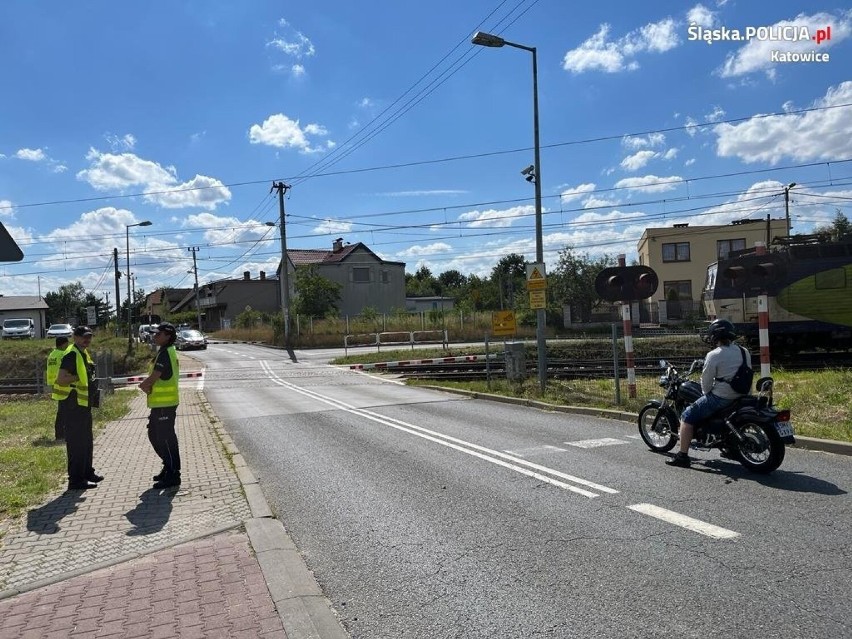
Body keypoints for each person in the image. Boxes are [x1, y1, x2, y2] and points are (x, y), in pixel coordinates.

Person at [666, 319, 752, 468]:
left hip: (721, 398)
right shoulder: (744, 351)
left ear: (714, 335)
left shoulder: (714, 354)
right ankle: (730, 448)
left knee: (687, 415)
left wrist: (706, 395)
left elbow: (706, 382)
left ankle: (682, 456)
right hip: (743, 395)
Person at [55, 326, 103, 490]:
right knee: (76, 444)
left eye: (89, 336)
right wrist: (79, 377)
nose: (87, 339)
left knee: (86, 441)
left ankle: (87, 472)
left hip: (83, 406)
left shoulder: (83, 353)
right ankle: (75, 480)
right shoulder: (71, 354)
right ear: (74, 337)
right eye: (83, 337)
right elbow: (61, 379)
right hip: (73, 406)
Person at [139, 322, 182, 488]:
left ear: (168, 336)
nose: (155, 336)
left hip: (166, 404)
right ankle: (168, 466)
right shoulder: (164, 351)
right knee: (154, 435)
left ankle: (173, 474)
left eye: (158, 334)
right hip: (160, 404)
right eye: (154, 334)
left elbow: (156, 375)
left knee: (165, 439)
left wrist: (144, 385)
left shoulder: (166, 353)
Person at [47, 336, 70, 441]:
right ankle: (61, 434)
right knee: (65, 411)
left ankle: (59, 434)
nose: (68, 345)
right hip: (64, 385)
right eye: (67, 343)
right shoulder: (63, 354)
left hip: (56, 385)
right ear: (63, 344)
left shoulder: (52, 354)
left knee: (61, 411)